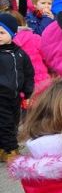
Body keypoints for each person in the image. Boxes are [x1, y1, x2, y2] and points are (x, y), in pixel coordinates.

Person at [0, 12, 34, 162]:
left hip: (14, 97)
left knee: (13, 123)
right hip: (1, 96)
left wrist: (28, 92)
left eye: (2, 32)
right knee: (6, 123)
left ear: (12, 34)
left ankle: (4, 147)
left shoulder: (20, 54)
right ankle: (11, 150)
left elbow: (28, 73)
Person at [10, 10, 51, 98]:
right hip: (43, 82)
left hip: (22, 88)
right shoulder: (34, 38)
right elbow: (47, 57)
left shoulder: (7, 43)